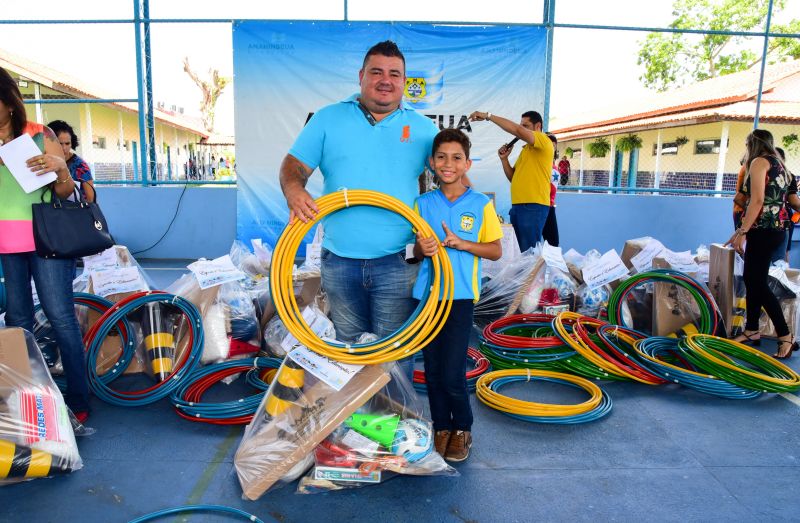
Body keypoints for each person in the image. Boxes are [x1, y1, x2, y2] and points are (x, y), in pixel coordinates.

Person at [279, 41, 439, 381]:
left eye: (394, 74)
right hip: (339, 261)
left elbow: (452, 177)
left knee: (395, 353)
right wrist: (294, 190)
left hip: (400, 259)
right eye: (376, 72)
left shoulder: (424, 130)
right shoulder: (327, 118)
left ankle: (397, 426)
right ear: (361, 76)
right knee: (347, 349)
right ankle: (353, 430)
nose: (385, 80)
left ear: (404, 81)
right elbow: (293, 167)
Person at [0, 68, 90, 421]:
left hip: (46, 240)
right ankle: (28, 401)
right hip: (7, 244)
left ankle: (79, 401)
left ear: (9, 103)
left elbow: (66, 193)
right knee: (18, 320)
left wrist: (61, 171)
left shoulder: (39, 135)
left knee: (60, 318)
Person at [413, 129, 502, 462]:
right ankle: (441, 429)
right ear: (432, 163)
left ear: (466, 163)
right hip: (427, 297)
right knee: (433, 371)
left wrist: (462, 244)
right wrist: (420, 249)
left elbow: (494, 251)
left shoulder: (480, 205)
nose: (447, 164)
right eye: (441, 157)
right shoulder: (422, 204)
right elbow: (410, 254)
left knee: (452, 371)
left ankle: (462, 428)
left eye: (455, 158)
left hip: (460, 298)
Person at [726, 129, 796, 359]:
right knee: (752, 279)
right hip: (777, 230)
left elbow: (756, 201)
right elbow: (793, 199)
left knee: (757, 282)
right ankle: (752, 330)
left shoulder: (758, 163)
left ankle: (785, 335)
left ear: (751, 144)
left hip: (762, 229)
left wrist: (742, 231)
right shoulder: (782, 165)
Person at [469, 110, 554, 253]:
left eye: (525, 126)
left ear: (538, 126)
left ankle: (532, 276)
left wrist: (488, 116)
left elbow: (517, 130)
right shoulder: (526, 150)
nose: (521, 130)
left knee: (529, 255)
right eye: (521, 126)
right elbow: (513, 178)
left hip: (533, 206)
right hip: (519, 206)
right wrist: (504, 159)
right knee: (521, 254)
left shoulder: (544, 141)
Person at [46, 119, 95, 202]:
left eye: (67, 143)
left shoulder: (80, 166)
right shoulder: (43, 160)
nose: (64, 148)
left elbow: (91, 198)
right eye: (60, 143)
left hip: (74, 212)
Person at [542, 133, 560, 247]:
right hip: (540, 206)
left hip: (550, 206)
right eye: (549, 144)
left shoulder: (553, 165)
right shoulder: (540, 165)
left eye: (554, 145)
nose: (552, 148)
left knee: (553, 243)